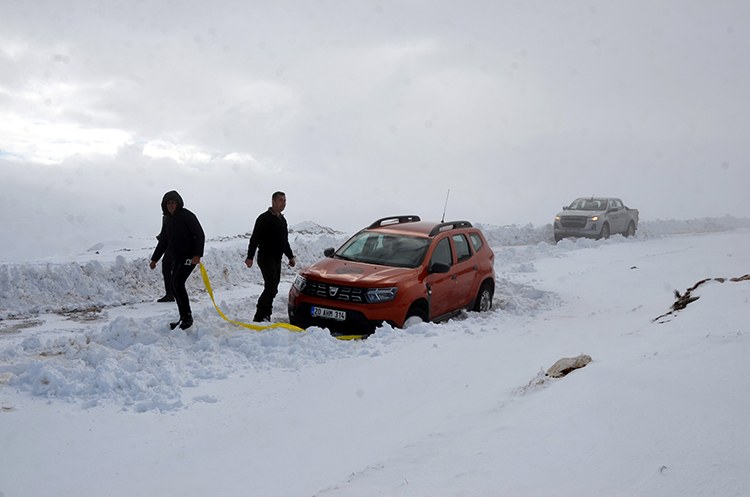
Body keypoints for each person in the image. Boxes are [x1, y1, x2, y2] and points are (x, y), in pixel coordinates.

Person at [150, 190, 205, 330]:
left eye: (173, 202)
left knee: (178, 284)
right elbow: (163, 241)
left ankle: (188, 318)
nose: (170, 205)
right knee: (175, 286)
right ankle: (183, 318)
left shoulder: (187, 216)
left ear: (178, 203)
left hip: (189, 257)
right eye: (168, 203)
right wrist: (155, 259)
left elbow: (199, 235)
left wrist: (197, 255)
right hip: (177, 258)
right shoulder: (167, 219)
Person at [245, 191, 296, 322]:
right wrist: (250, 257)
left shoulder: (282, 220)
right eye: (280, 200)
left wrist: (290, 256)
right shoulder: (264, 218)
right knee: (271, 287)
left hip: (277, 258)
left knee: (273, 288)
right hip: (265, 257)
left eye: (285, 201)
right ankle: (259, 316)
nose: (283, 203)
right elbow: (254, 238)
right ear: (273, 202)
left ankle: (266, 314)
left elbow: (284, 241)